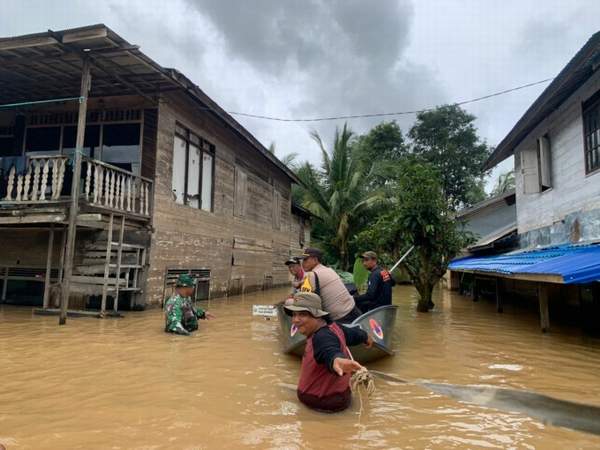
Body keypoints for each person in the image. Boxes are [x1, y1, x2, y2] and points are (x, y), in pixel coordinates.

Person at [284, 292, 372, 413]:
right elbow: (354, 334)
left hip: (321, 406)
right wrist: (366, 337)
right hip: (341, 399)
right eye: (294, 315)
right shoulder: (336, 327)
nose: (295, 320)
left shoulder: (321, 337)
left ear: (317, 316)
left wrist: (337, 361)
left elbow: (329, 351)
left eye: (302, 315)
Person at [298, 247, 362, 323]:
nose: (302, 263)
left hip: (341, 318)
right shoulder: (329, 270)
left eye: (305, 260)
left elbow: (302, 301)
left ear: (315, 260)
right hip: (354, 310)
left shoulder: (311, 275)